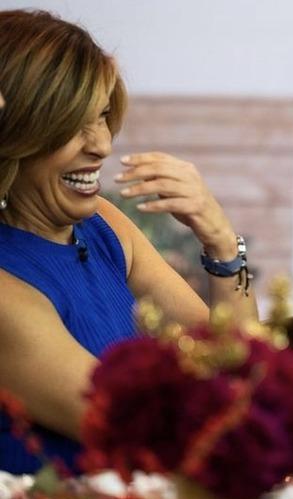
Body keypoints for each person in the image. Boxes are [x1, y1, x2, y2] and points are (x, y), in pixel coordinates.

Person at [0, 9, 258, 474]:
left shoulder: (103, 222)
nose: (100, 144)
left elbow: (241, 365)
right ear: (17, 133)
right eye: (73, 123)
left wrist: (221, 241)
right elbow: (147, 433)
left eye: (101, 117)